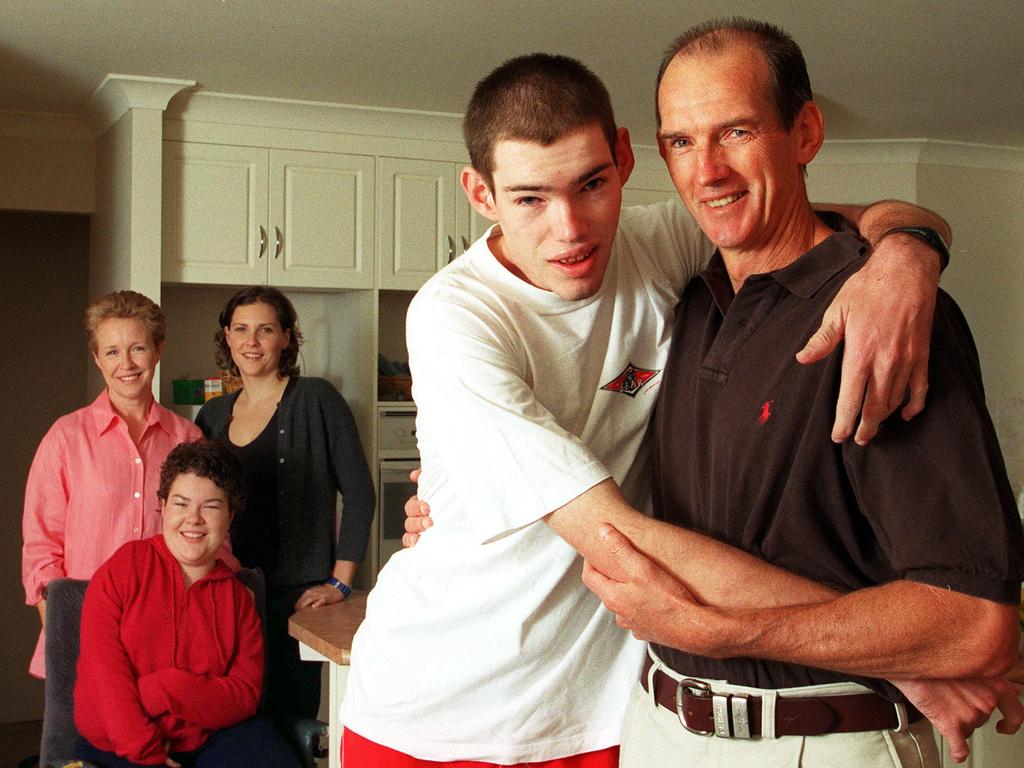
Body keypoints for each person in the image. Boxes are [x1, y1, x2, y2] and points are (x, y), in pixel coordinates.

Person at [343, 52, 958, 767]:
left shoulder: (659, 241)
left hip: (609, 709)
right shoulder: (456, 317)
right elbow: (615, 536)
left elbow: (849, 218)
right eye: (530, 199)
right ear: (481, 193)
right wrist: (897, 649)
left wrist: (905, 257)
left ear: (626, 157)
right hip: (438, 710)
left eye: (592, 185)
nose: (570, 228)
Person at [578, 19, 1024, 768]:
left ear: (806, 131)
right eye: (682, 143)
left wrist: (723, 633)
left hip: (821, 743)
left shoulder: (886, 317)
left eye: (738, 132)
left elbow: (974, 623)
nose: (708, 171)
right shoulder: (682, 303)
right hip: (657, 727)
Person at [21, 290, 234, 679]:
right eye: (113, 352)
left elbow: (214, 536)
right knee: (83, 739)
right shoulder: (66, 438)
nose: (127, 364)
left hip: (168, 634)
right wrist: (65, 632)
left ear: (157, 350)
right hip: (82, 627)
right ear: (97, 358)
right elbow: (41, 549)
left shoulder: (187, 438)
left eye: (137, 348)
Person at [195, 286, 374, 730]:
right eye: (241, 329)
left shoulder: (315, 399)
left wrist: (340, 582)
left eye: (265, 330)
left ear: (286, 338)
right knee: (231, 712)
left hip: (299, 596)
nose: (251, 341)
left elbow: (359, 492)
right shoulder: (212, 415)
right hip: (229, 592)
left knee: (290, 716)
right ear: (227, 337)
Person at [73, 439, 301, 768]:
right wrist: (146, 751)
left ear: (229, 516)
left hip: (208, 737)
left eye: (211, 506)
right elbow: (102, 677)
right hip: (119, 739)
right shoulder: (122, 570)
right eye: (181, 504)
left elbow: (243, 696)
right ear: (163, 507)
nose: (193, 519)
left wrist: (168, 687)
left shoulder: (238, 599)